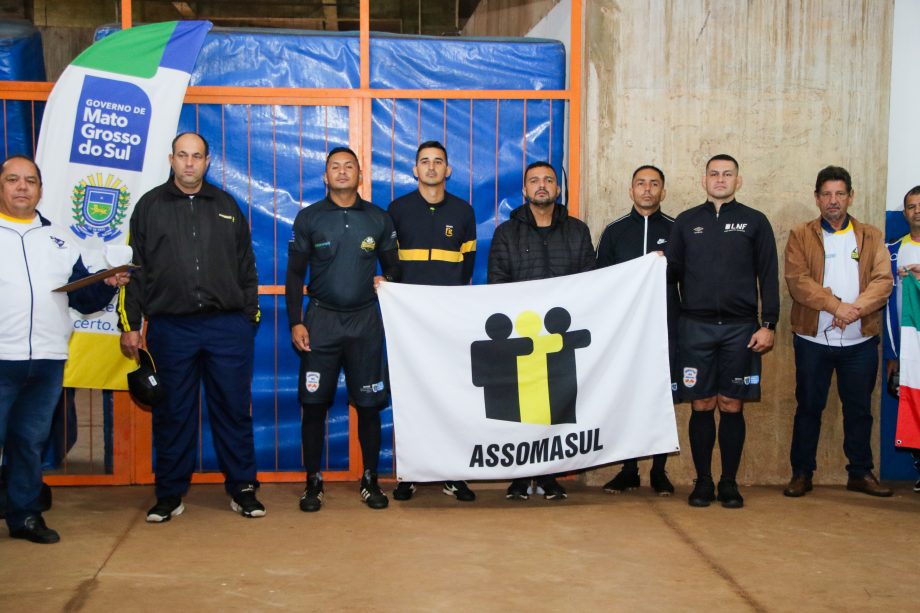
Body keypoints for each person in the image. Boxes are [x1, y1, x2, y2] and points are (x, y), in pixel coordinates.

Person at [119, 132, 265, 522]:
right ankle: (169, 493)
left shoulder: (226, 205)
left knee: (233, 410)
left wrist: (248, 315)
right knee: (172, 412)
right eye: (182, 155)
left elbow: (246, 266)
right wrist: (131, 324)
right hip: (171, 328)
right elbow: (135, 270)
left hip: (226, 327)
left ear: (207, 161)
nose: (189, 163)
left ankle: (243, 488)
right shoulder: (149, 206)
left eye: (196, 156)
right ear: (171, 159)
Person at [1, 155, 128, 543]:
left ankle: (24, 517)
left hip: (48, 360)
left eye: (30, 181)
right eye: (12, 179)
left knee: (29, 441)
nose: (22, 187)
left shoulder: (60, 240)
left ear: (40, 189)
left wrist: (107, 284)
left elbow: (83, 300)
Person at [285, 146, 400, 512]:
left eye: (349, 166)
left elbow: (396, 268)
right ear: (325, 176)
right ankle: (313, 482)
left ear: (360, 175)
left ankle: (369, 479)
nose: (342, 172)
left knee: (369, 405)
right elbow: (293, 275)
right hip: (320, 321)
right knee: (314, 404)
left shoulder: (379, 219)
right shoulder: (309, 218)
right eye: (335, 166)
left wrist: (389, 278)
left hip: (365, 322)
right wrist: (295, 321)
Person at [666, 154, 779, 509]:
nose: (720, 179)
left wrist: (769, 324)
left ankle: (729, 482)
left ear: (738, 181)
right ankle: (702, 482)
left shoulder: (754, 221)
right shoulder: (686, 221)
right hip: (695, 328)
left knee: (731, 404)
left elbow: (769, 274)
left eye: (727, 174)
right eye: (714, 174)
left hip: (740, 329)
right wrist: (650, 266)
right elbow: (670, 274)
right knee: (701, 403)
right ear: (704, 181)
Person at [488, 160, 595, 500]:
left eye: (548, 180)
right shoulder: (507, 232)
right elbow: (497, 283)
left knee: (557, 405)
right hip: (522, 335)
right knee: (522, 407)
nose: (542, 185)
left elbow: (590, 281)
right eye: (534, 181)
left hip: (560, 337)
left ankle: (549, 475)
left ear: (558, 189)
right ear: (524, 190)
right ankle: (520, 476)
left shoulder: (577, 231)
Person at [784, 167, 893, 497]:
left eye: (840, 194)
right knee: (808, 408)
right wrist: (836, 307)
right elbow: (797, 282)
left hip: (860, 341)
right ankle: (802, 473)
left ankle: (860, 472)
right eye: (826, 194)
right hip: (812, 340)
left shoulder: (871, 236)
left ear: (851, 196)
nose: (833, 201)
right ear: (816, 198)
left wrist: (854, 310)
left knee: (859, 410)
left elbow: (883, 281)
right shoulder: (800, 235)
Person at [387, 140, 477, 503]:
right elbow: (389, 263)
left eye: (438, 161)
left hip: (449, 321)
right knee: (411, 397)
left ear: (448, 169)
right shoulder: (397, 209)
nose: (431, 167)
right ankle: (410, 473)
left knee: (452, 396)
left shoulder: (463, 211)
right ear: (414, 169)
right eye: (424, 161)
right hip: (408, 323)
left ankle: (452, 474)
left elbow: (466, 267)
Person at [596, 164, 677, 496]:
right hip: (624, 333)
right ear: (630, 191)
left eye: (654, 184)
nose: (647, 189)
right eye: (640, 184)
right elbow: (600, 281)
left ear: (662, 191)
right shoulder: (614, 232)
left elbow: (687, 276)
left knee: (661, 397)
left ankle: (659, 470)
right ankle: (628, 468)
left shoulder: (677, 230)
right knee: (625, 395)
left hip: (665, 328)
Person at [885, 185, 920, 493]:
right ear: (904, 212)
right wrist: (893, 354)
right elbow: (886, 308)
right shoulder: (892, 251)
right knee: (912, 405)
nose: (917, 210)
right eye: (911, 206)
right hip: (909, 345)